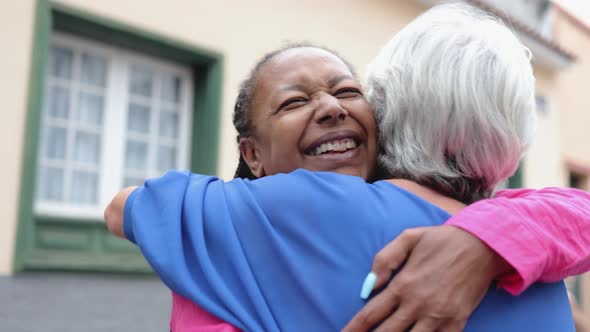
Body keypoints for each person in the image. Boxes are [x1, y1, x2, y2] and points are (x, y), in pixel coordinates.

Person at [105, 4, 590, 331]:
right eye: (294, 101)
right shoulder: (541, 273)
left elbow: (124, 206)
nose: (331, 108)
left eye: (347, 91)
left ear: (384, 111)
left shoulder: (261, 223)